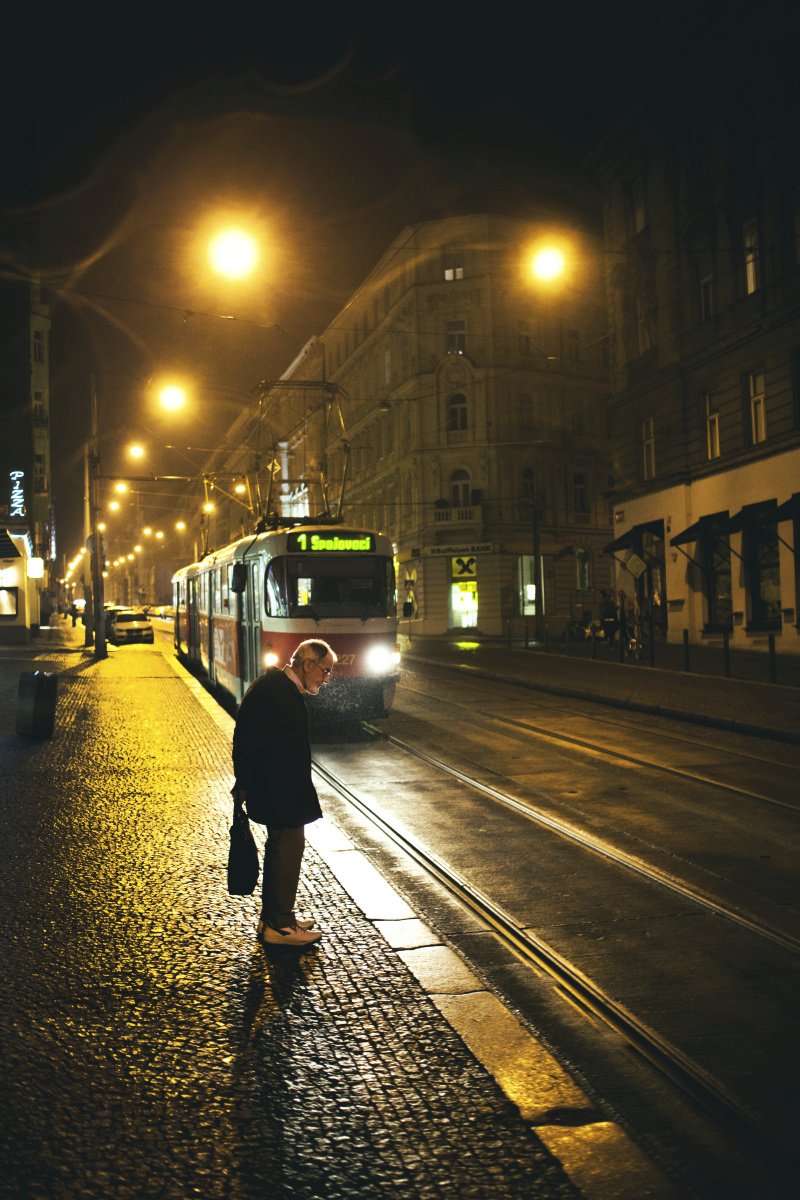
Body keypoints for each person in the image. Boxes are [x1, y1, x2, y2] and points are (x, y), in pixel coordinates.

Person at [232, 639, 337, 948]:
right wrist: (246, 782)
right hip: (280, 792)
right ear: (308, 665)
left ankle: (277, 917)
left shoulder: (276, 686)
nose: (326, 679)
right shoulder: (278, 693)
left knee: (281, 851)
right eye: (325, 671)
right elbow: (250, 742)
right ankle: (280, 926)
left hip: (280, 789)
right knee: (286, 853)